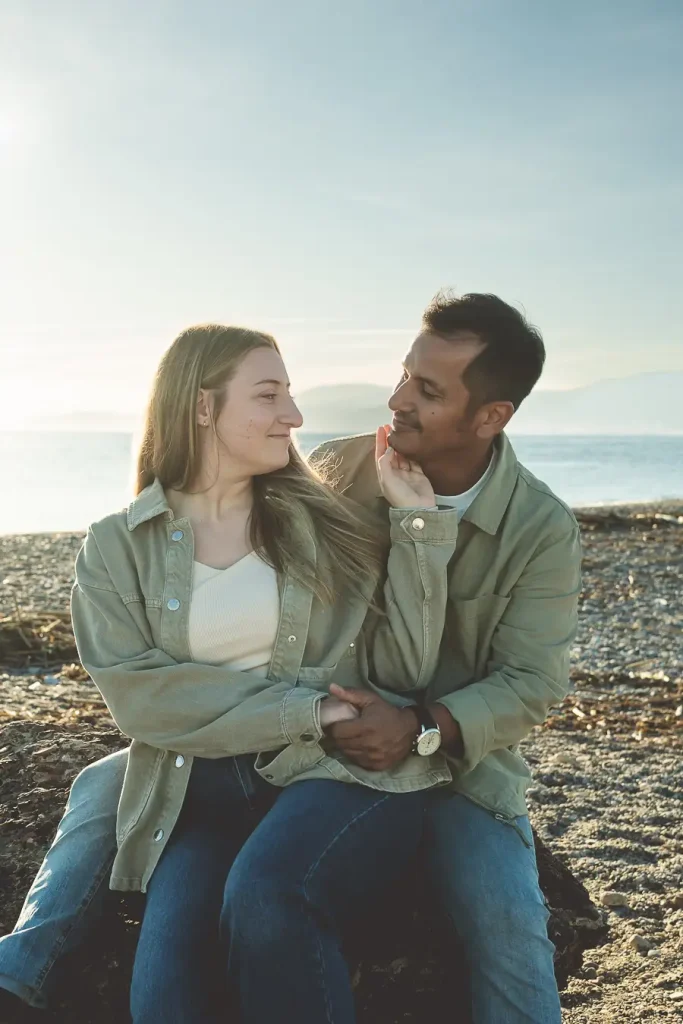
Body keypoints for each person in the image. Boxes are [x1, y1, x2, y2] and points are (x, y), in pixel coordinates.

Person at [0, 293, 581, 1024]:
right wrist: (310, 708)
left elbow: (530, 682)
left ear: (489, 416)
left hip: (450, 756)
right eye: (404, 374)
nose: (397, 400)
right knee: (110, 788)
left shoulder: (539, 528)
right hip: (303, 736)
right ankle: (19, 970)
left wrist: (421, 724)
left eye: (427, 391)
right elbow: (173, 678)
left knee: (508, 930)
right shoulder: (340, 469)